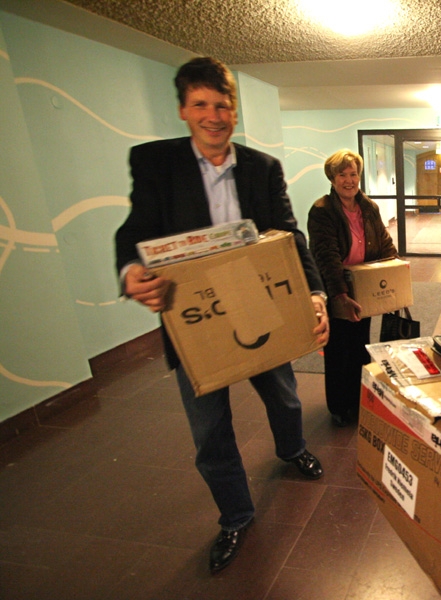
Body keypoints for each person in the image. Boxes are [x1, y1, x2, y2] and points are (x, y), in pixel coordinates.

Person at [114, 57, 329, 574]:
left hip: (257, 305)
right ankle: (235, 514)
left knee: (283, 394)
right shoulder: (154, 164)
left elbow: (287, 235)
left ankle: (292, 448)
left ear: (234, 109)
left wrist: (315, 296)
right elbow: (134, 230)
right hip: (196, 323)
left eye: (223, 105)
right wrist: (128, 272)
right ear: (184, 110)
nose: (214, 115)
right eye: (201, 105)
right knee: (209, 430)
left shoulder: (262, 168)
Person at [307, 149, 398, 426]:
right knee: (338, 351)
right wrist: (340, 296)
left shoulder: (368, 207)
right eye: (342, 175)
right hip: (337, 288)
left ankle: (358, 400)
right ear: (332, 179)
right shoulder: (322, 211)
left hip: (363, 286)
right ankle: (338, 406)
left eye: (353, 174)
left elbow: (383, 241)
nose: (349, 180)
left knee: (360, 347)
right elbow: (327, 257)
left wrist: (396, 271)